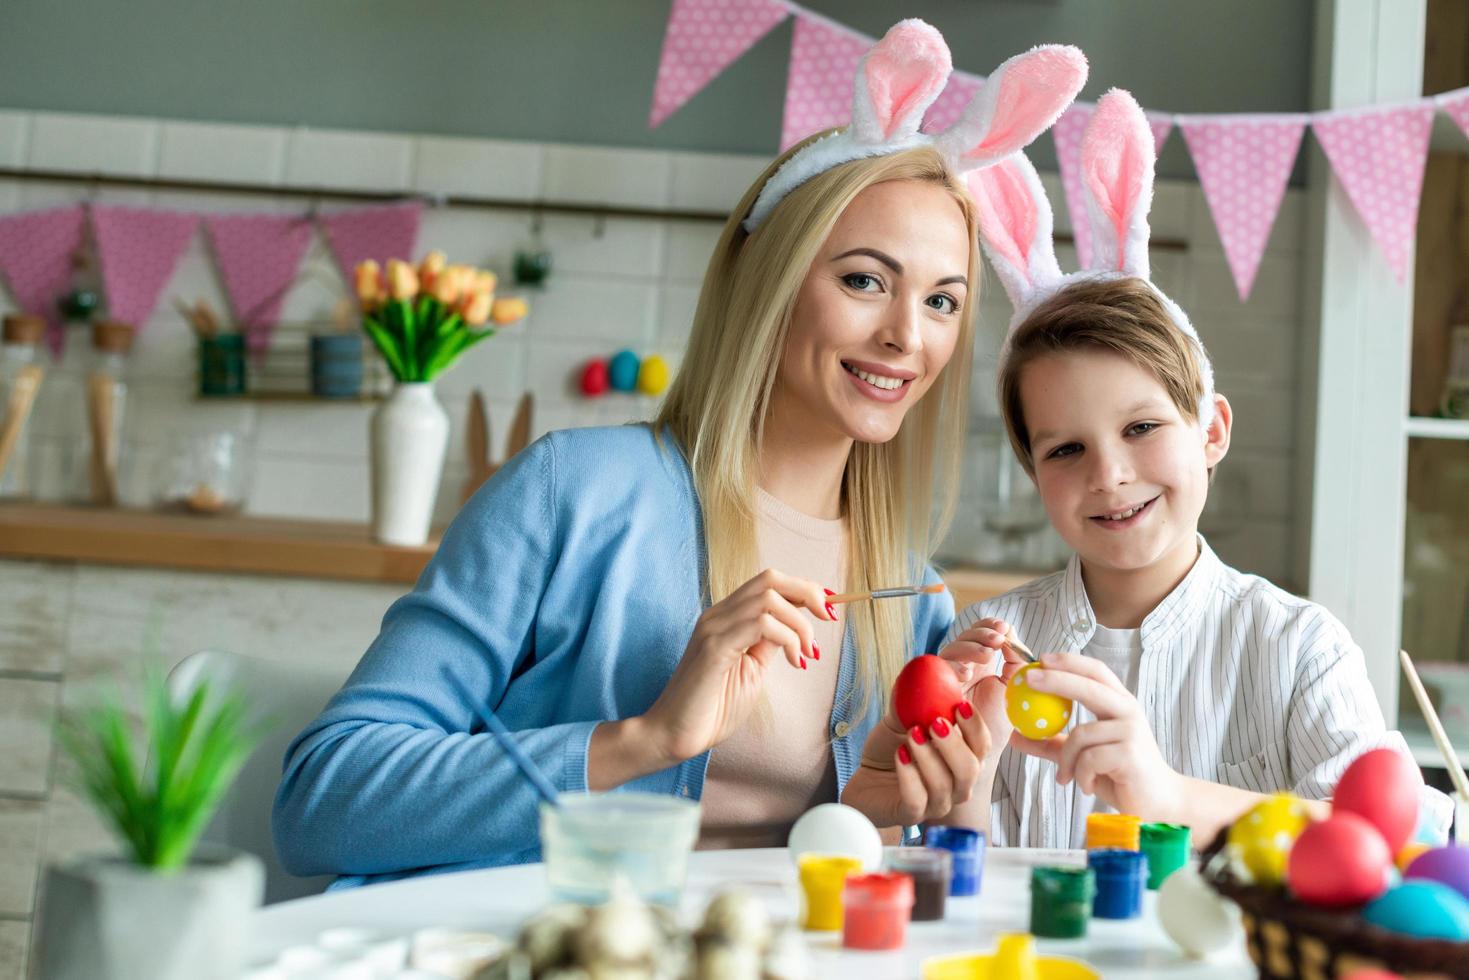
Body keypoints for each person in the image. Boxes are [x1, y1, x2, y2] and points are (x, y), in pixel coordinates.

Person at [272, 21, 1088, 885]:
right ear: (767, 281)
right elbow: (321, 801)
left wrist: (876, 810)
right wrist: (645, 740)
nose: (902, 336)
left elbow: (813, 879)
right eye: (863, 280)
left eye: (942, 302)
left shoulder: (909, 595)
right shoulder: (570, 494)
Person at [940, 88, 1452, 849]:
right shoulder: (995, 637)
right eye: (1065, 449)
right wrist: (963, 782)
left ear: (1210, 431)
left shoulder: (1298, 648)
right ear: (1030, 469)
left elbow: (1382, 845)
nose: (1109, 474)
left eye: (1141, 427)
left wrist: (1168, 793)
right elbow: (956, 872)